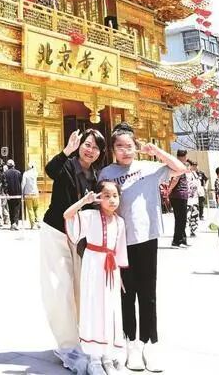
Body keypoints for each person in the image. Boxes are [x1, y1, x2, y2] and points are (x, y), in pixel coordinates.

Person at [99, 122, 188, 373]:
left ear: (136, 147)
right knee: (127, 294)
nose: (125, 151)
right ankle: (131, 345)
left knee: (148, 294)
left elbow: (180, 168)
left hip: (147, 236)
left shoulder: (149, 168)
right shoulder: (106, 173)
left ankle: (149, 344)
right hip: (120, 240)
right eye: (120, 146)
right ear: (113, 150)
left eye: (129, 146)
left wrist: (156, 151)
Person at [40, 128, 103, 369]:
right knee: (60, 287)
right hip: (56, 231)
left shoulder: (96, 176)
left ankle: (82, 338)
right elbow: (50, 170)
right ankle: (67, 345)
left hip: (80, 237)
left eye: (96, 147)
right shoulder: (66, 165)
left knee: (80, 288)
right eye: (87, 144)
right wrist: (66, 150)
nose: (90, 150)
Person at [64, 181, 129, 375]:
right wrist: (84, 201)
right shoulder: (90, 216)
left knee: (110, 308)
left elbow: (120, 250)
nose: (112, 200)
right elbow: (67, 215)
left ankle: (107, 355)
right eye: (106, 196)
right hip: (93, 266)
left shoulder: (120, 222)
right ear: (99, 198)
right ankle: (93, 358)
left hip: (111, 270)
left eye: (115, 195)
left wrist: (119, 275)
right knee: (93, 307)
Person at [165, 149, 192, 248]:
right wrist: (169, 190)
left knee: (182, 219)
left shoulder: (177, 164)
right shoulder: (179, 165)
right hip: (178, 195)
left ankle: (183, 240)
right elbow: (175, 179)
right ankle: (176, 241)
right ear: (184, 157)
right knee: (181, 219)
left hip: (180, 195)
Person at [3, 159, 22, 230]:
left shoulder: (5, 174)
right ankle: (16, 223)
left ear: (7, 166)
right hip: (18, 194)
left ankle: (12, 223)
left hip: (10, 194)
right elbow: (21, 183)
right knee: (17, 209)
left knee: (11, 209)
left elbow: (5, 184)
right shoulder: (18, 173)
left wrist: (6, 193)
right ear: (14, 165)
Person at [21, 164, 40, 229]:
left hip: (27, 194)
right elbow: (35, 170)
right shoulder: (35, 173)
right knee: (36, 208)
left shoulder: (25, 174)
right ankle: (38, 222)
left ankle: (33, 224)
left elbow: (23, 183)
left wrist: (22, 192)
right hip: (35, 194)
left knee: (30, 209)